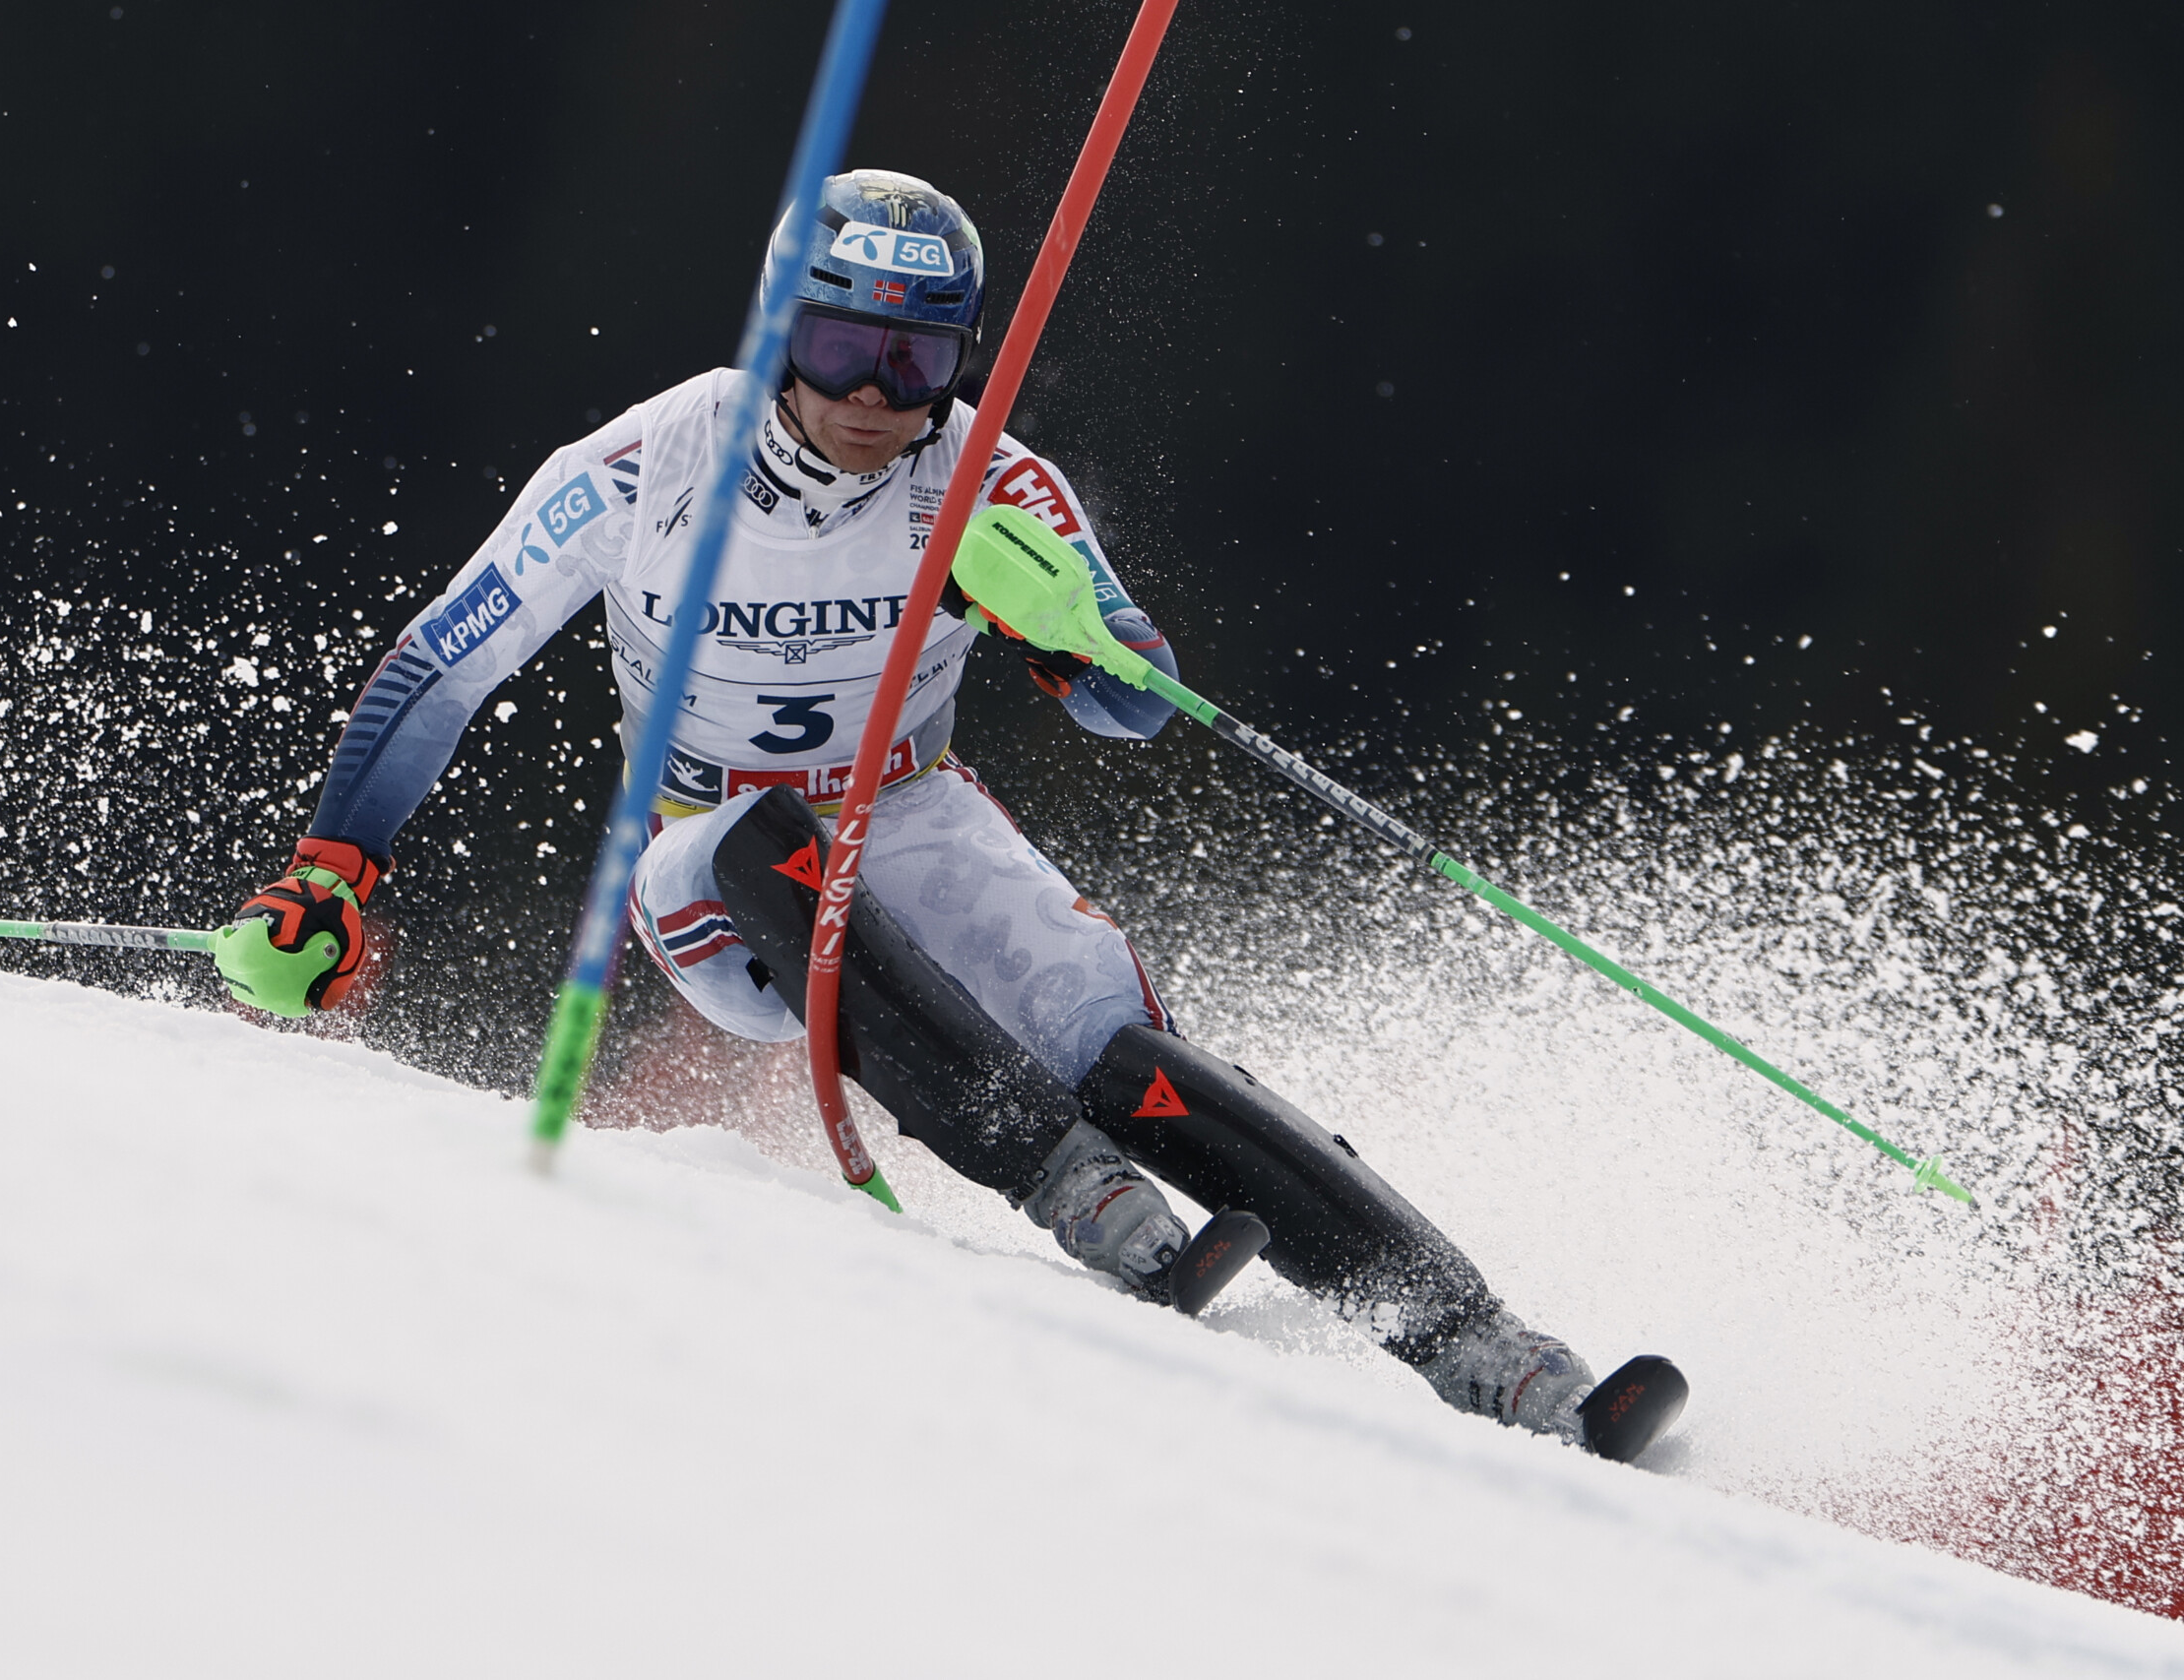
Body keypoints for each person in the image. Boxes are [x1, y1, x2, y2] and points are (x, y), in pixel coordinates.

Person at [217, 169, 1674, 1460]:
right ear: (781, 329)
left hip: (912, 812)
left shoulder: (986, 480)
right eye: (843, 344)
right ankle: (1067, 1183)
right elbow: (440, 663)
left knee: (1114, 1036)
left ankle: (1485, 1348)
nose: (873, 396)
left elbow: (1143, 703)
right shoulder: (640, 470)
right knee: (757, 844)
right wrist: (334, 872)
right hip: (708, 862)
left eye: (914, 361)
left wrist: (1064, 635)